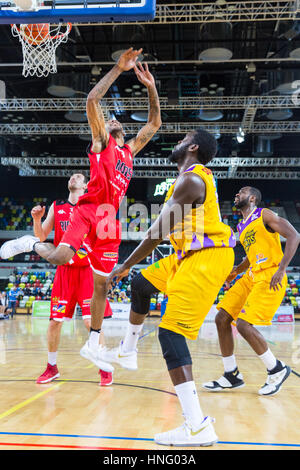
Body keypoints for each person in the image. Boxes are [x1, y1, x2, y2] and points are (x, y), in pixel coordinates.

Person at [0, 48, 161, 372]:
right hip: (87, 212)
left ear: (124, 131)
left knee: (101, 285)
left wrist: (151, 87)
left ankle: (93, 342)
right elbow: (91, 101)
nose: (112, 119)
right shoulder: (103, 142)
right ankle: (28, 243)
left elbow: (155, 122)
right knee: (60, 256)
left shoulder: (129, 151)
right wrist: (118, 69)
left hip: (109, 222)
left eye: (117, 120)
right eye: (110, 118)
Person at [104, 128, 236, 447]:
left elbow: (159, 229)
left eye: (182, 139)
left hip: (206, 257)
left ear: (191, 147)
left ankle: (197, 426)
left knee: (170, 333)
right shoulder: (187, 179)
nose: (175, 143)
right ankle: (128, 349)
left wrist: (125, 263)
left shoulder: (191, 180)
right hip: (185, 255)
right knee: (140, 285)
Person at [202, 186, 300, 396]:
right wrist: (237, 270)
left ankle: (276, 369)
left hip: (271, 275)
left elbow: (294, 236)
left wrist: (282, 269)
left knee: (244, 325)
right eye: (237, 192)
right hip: (251, 275)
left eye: (242, 192)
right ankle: (231, 375)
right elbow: (251, 255)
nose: (237, 194)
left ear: (252, 198)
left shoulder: (264, 214)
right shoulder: (241, 226)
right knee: (221, 318)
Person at [31, 173, 114, 385]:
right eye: (71, 176)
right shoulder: (57, 207)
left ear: (86, 185)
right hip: (64, 272)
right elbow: (41, 237)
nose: (72, 178)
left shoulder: (93, 207)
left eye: (78, 176)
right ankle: (51, 367)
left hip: (87, 271)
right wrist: (37, 220)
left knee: (90, 322)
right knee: (54, 322)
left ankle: (104, 367)